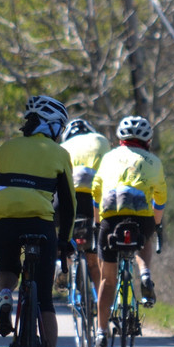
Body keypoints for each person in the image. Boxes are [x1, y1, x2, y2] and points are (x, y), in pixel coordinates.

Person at [0, 95, 76, 347]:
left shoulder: (6, 148)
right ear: (53, 126)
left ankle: (6, 295)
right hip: (39, 225)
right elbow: (69, 205)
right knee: (44, 299)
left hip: (2, 222)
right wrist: (64, 241)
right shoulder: (59, 153)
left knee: (8, 269)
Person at [90, 115, 167, 347]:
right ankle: (145, 274)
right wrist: (156, 224)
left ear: (120, 139)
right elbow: (160, 199)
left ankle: (101, 335)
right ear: (148, 140)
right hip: (141, 218)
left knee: (107, 280)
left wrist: (98, 222)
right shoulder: (154, 161)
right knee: (146, 235)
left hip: (111, 220)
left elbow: (95, 191)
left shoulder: (109, 157)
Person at [59, 118, 111, 290]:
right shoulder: (101, 141)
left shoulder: (62, 147)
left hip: (67, 198)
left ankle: (61, 262)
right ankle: (103, 303)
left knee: (53, 226)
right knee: (94, 255)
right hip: (95, 199)